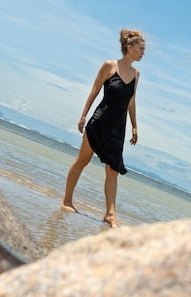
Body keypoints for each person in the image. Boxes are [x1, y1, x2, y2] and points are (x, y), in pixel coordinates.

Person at [62, 28, 145, 229]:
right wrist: (83, 115)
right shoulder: (110, 66)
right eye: (141, 49)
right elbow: (95, 90)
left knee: (113, 171)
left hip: (118, 129)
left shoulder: (136, 74)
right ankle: (66, 201)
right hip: (100, 122)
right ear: (129, 48)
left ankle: (110, 215)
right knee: (83, 160)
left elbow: (131, 101)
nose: (143, 53)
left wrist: (134, 126)